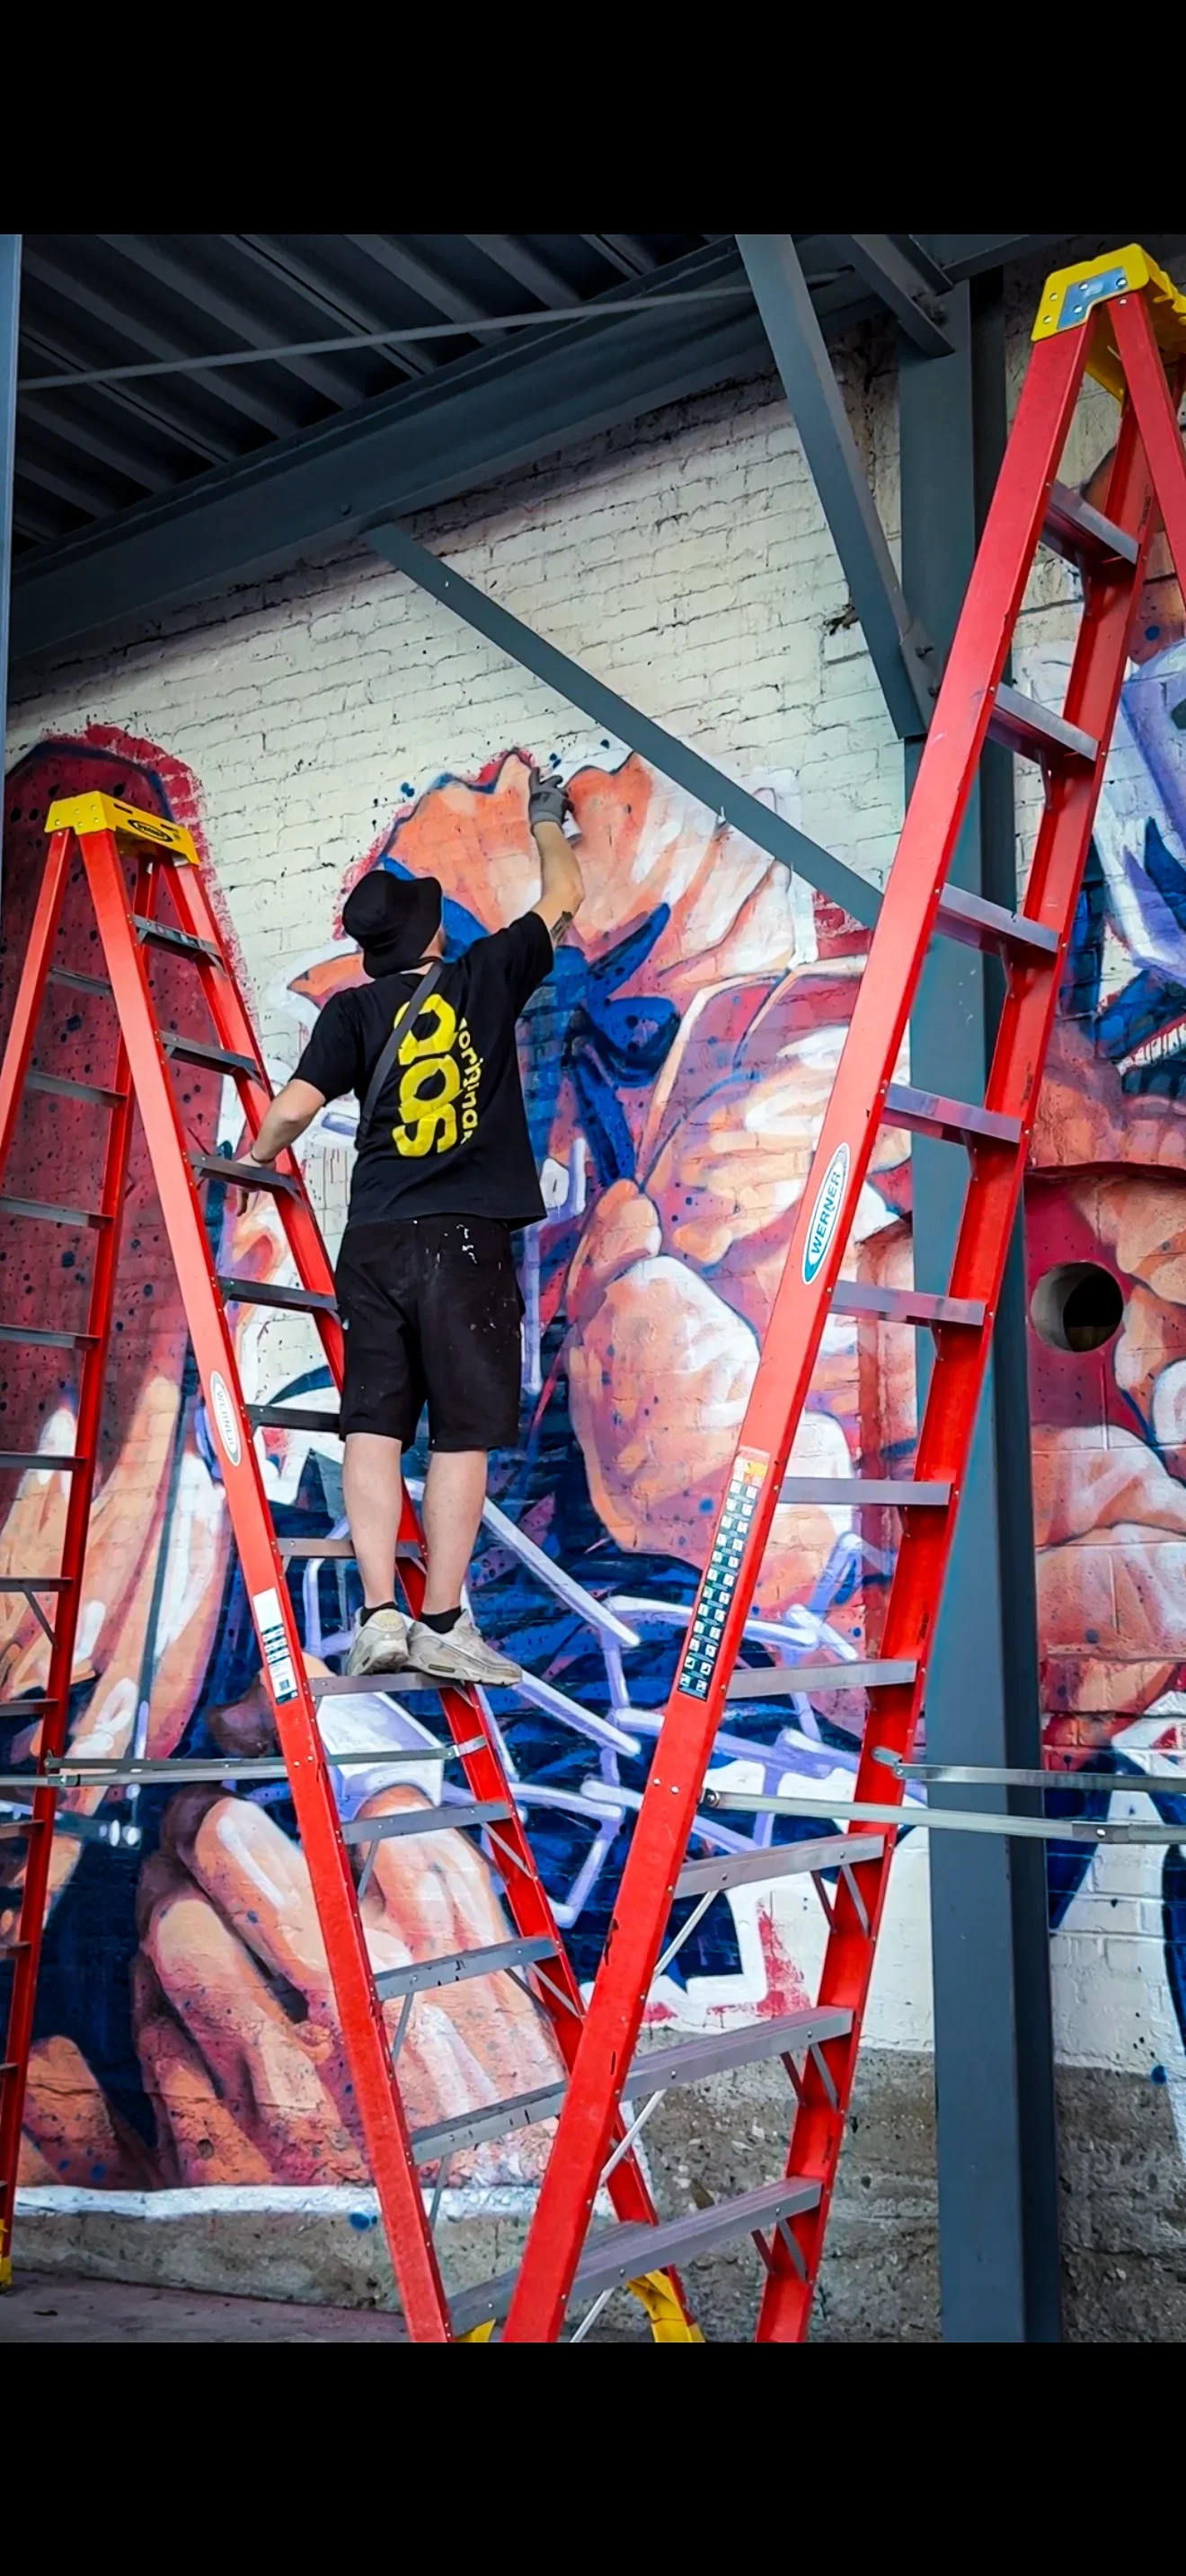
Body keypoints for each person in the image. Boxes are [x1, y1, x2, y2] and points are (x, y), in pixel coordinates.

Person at [242, 767, 584, 1685]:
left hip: (377, 1241)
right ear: (431, 932)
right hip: (462, 1242)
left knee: (374, 1426)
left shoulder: (352, 1012)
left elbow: (289, 1114)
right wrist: (545, 820)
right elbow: (564, 896)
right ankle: (441, 1621)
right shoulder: (486, 973)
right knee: (462, 1435)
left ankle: (379, 1614)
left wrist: (245, 1168)